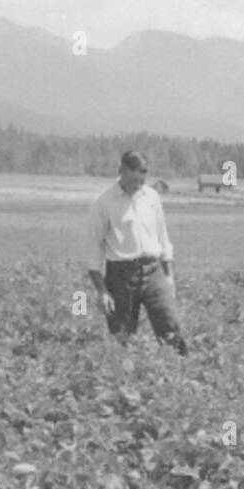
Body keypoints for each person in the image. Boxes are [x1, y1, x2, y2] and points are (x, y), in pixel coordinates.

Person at [87, 150, 187, 355]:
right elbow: (93, 248)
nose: (138, 184)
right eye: (133, 179)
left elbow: (163, 236)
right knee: (122, 336)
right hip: (120, 275)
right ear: (120, 172)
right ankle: (124, 379)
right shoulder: (103, 203)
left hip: (153, 270)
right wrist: (102, 291)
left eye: (142, 179)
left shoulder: (151, 197)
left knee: (170, 325)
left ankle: (178, 371)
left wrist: (168, 276)